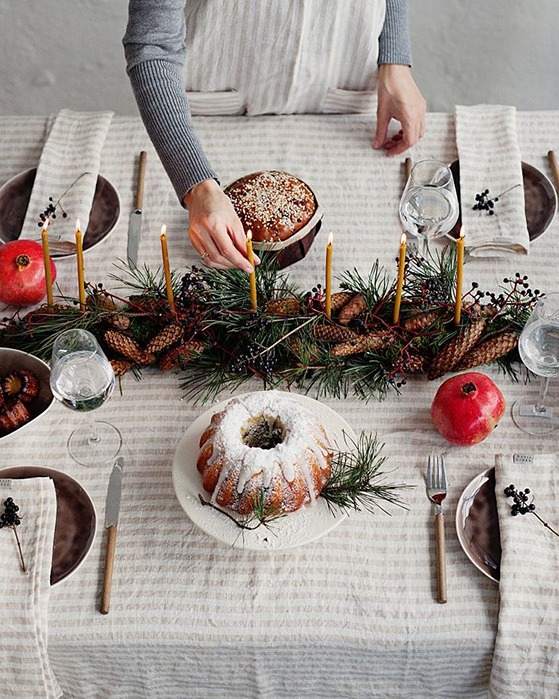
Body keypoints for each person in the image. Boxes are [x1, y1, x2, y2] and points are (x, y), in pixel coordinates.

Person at [124, 0, 426, 273]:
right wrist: (196, 187)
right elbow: (153, 44)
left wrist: (395, 57)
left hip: (341, 90)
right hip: (216, 107)